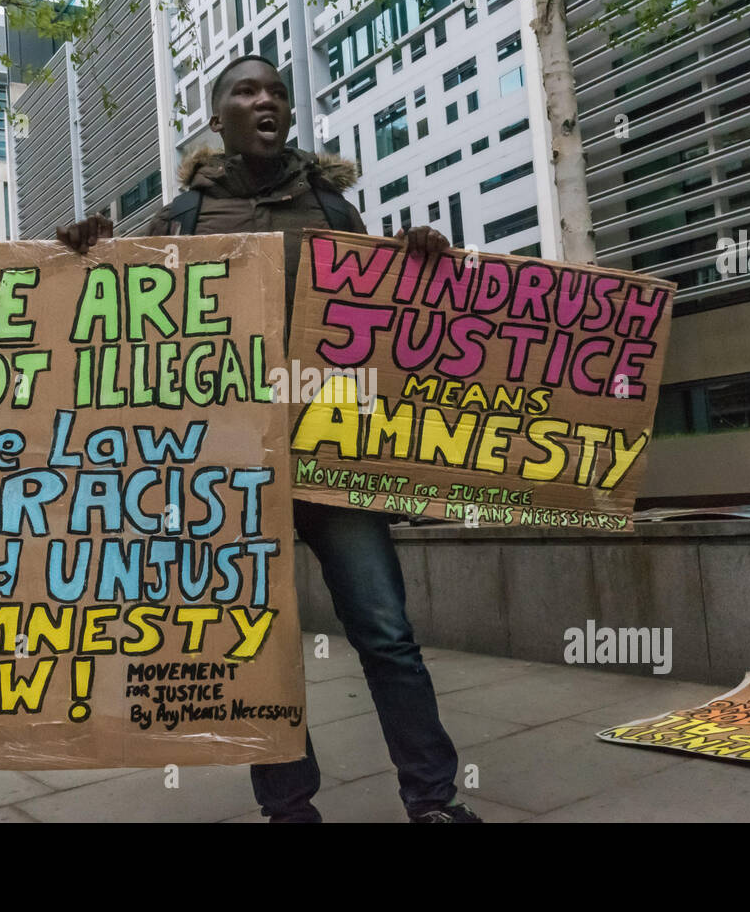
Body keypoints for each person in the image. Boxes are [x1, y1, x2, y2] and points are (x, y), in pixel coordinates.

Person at [57, 54, 480, 823]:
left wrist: (420, 262)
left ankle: (434, 799)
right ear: (217, 119)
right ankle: (288, 809)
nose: (266, 100)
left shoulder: (330, 206)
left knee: (386, 634)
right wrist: (85, 255)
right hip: (232, 470)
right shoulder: (180, 219)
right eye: (246, 91)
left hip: (333, 456)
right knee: (253, 646)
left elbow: (383, 320)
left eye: (277, 92)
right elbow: (124, 329)